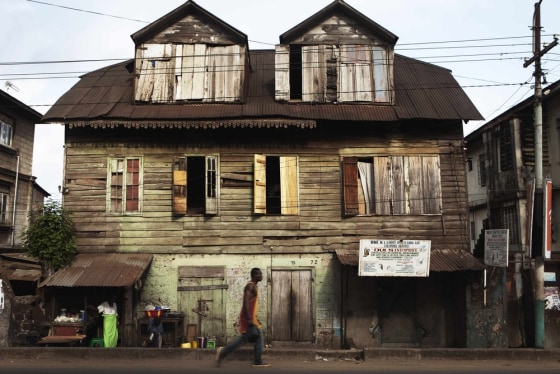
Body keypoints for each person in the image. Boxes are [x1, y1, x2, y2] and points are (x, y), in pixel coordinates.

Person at [216, 267, 270, 368]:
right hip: (248, 318)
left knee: (257, 337)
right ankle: (223, 352)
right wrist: (249, 318)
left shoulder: (254, 286)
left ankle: (257, 361)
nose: (261, 276)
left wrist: (254, 317)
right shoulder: (250, 287)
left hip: (251, 318)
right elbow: (245, 302)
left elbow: (251, 304)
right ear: (255, 275)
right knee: (244, 339)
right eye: (259, 274)